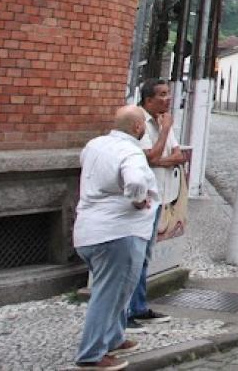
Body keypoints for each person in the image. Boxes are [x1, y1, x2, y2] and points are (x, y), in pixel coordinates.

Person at [73, 105, 159, 371]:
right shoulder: (130, 151)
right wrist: (138, 199)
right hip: (119, 232)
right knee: (109, 293)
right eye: (143, 124)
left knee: (117, 288)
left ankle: (114, 337)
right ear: (137, 127)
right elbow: (134, 182)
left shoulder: (95, 145)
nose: (144, 128)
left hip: (89, 230)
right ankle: (92, 354)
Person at [125, 79, 187, 328]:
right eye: (162, 94)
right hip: (142, 199)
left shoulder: (164, 121)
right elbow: (148, 157)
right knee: (135, 256)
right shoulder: (138, 121)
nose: (168, 98)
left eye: (168, 93)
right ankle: (129, 310)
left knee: (144, 256)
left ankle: (138, 306)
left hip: (160, 196)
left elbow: (179, 155)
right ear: (148, 99)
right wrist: (163, 136)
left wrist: (162, 157)